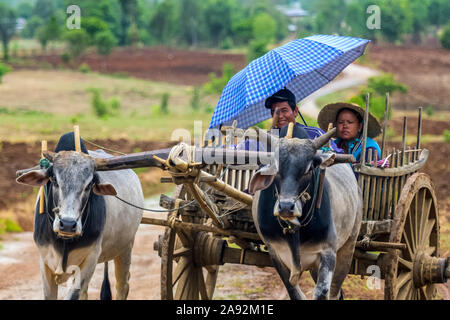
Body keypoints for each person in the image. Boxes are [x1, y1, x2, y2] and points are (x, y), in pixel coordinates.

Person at [264, 88, 342, 150]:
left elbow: (337, 154)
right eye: (274, 112)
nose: (280, 116)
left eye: (284, 110)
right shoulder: (266, 140)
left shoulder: (315, 134)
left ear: (295, 111)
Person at [318, 102, 382, 163]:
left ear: (359, 126)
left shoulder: (370, 149)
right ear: (336, 125)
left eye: (350, 122)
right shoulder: (334, 145)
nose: (345, 126)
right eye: (341, 122)